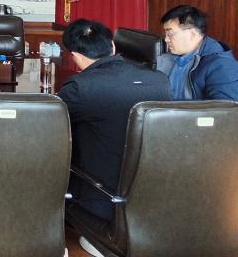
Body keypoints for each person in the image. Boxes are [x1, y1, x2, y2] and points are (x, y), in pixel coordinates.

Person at [58, 19, 169, 242]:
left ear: (75, 56)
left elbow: (49, 126)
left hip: (101, 198)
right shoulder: (159, 80)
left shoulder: (80, 87)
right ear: (113, 46)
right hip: (155, 195)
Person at [157, 5, 238, 104]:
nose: (166, 39)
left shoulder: (223, 66)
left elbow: (229, 110)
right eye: (165, 34)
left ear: (191, 34)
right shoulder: (172, 57)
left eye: (170, 34)